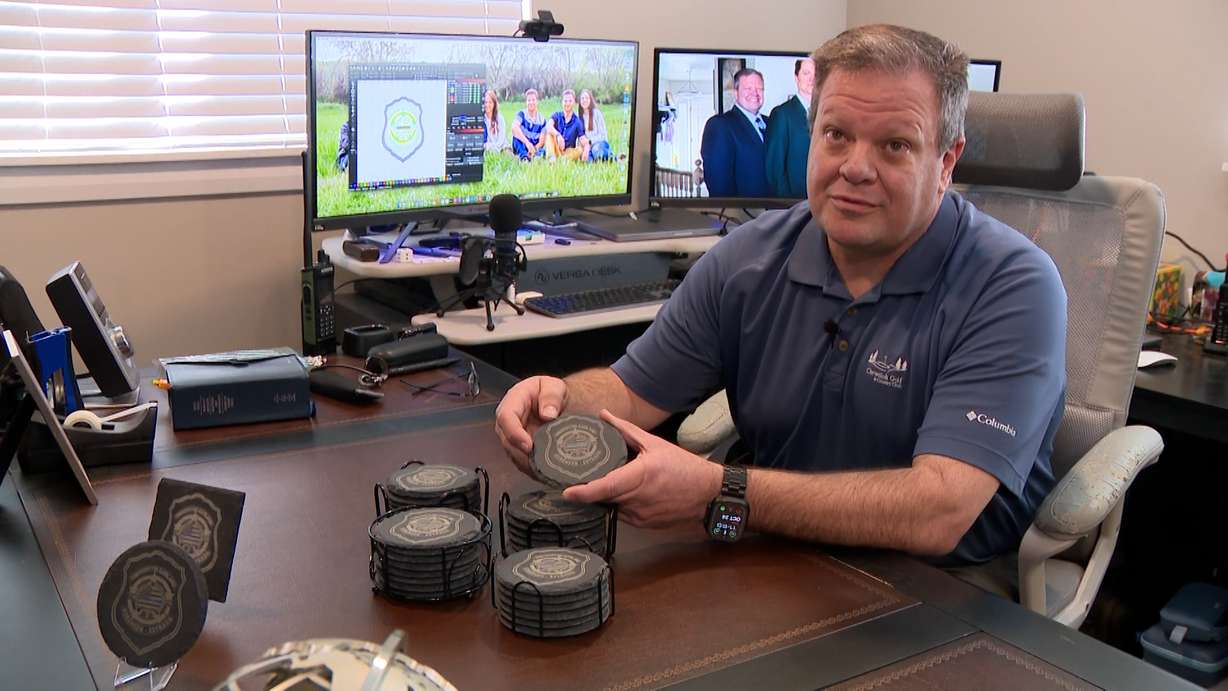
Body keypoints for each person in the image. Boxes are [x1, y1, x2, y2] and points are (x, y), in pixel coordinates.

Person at [494, 24, 1067, 566]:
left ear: (945, 162)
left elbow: (938, 514)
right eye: (837, 135)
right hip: (778, 547)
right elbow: (629, 391)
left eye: (895, 145)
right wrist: (557, 401)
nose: (855, 168)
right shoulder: (747, 258)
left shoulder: (1013, 285)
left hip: (944, 588)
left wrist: (723, 493)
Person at [699, 67, 770, 198]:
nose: (755, 93)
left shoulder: (771, 122)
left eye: (759, 89)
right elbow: (719, 186)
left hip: (778, 213)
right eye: (748, 89)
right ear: (736, 93)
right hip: (744, 215)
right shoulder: (720, 125)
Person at [764, 57, 815, 199]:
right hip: (794, 206)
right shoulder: (782, 114)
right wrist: (788, 206)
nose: (812, 79)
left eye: (816, 74)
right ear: (796, 77)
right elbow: (775, 170)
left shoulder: (828, 113)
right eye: (806, 73)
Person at [544, 89, 585, 161]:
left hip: (568, 152)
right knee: (549, 134)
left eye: (570, 101)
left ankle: (564, 160)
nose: (567, 103)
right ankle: (551, 159)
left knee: (580, 149)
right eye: (565, 101)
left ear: (574, 103)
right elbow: (548, 126)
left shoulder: (577, 121)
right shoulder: (557, 115)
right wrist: (558, 135)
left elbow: (582, 138)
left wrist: (588, 144)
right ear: (562, 102)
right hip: (555, 149)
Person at [511, 88, 547, 160]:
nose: (531, 102)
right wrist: (527, 143)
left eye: (533, 100)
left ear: (537, 102)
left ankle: (534, 156)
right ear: (526, 102)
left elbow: (542, 142)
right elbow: (514, 128)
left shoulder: (542, 120)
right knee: (516, 138)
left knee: (544, 151)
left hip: (534, 146)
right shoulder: (521, 114)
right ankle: (524, 157)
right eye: (529, 100)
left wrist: (533, 149)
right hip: (523, 143)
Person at [578, 89, 612, 161]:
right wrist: (584, 147)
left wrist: (590, 142)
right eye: (582, 98)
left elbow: (602, 135)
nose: (584, 100)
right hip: (587, 147)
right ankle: (594, 159)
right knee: (586, 160)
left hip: (599, 143)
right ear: (580, 101)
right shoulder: (579, 117)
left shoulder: (596, 113)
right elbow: (579, 138)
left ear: (590, 100)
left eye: (587, 98)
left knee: (597, 151)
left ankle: (611, 156)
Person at [482, 89, 508, 154]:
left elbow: (501, 141)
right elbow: (484, 144)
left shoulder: (500, 118)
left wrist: (495, 149)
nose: (487, 105)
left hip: (502, 147)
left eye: (490, 102)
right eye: (485, 102)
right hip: (488, 149)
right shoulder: (482, 119)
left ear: (494, 104)